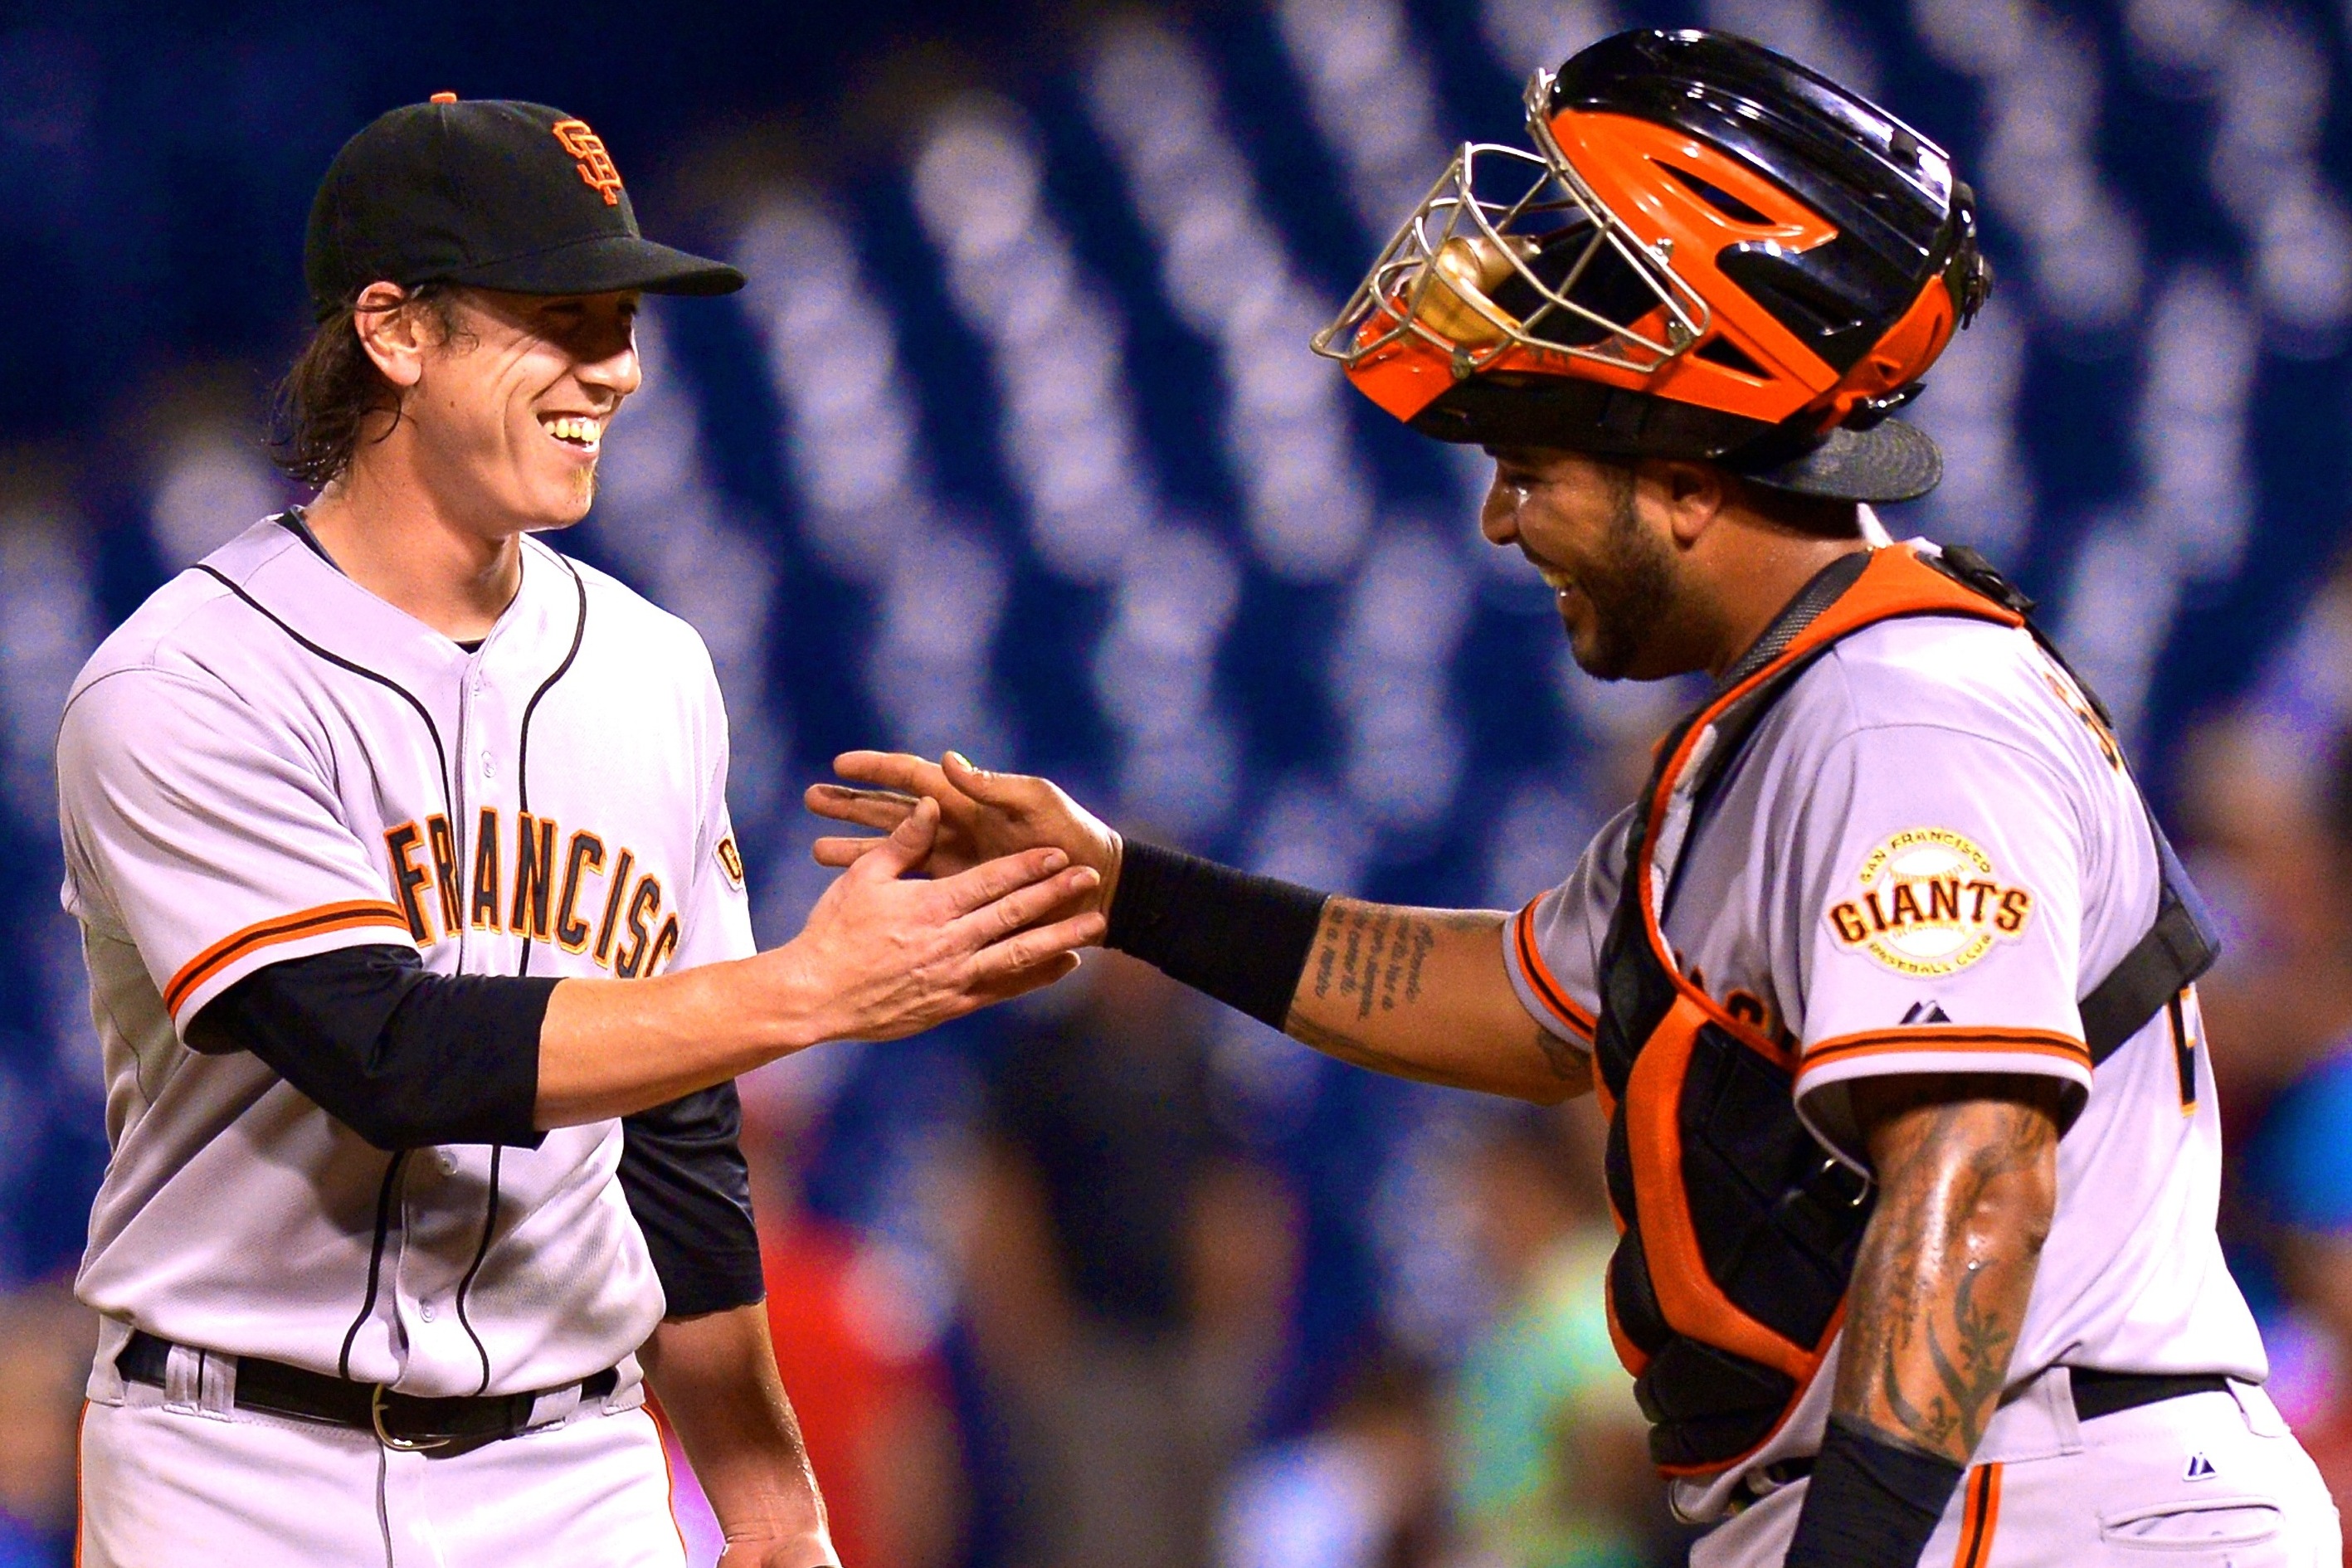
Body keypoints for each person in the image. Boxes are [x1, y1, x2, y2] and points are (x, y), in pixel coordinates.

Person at [808, 29, 2342, 1568]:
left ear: (1687, 472)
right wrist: (1122, 887)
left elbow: (1977, 1172)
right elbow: (1512, 1000)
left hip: (2043, 1499)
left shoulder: (1900, 713)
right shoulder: (1793, 721)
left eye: (1534, 463)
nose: (1499, 518)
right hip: (1982, 1496)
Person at [55, 96, 1102, 1567]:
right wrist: (811, 987)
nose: (612, 367)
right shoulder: (187, 681)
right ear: (396, 332)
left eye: (622, 318)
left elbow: (674, 1124)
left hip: (574, 1465)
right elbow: (388, 1052)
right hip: (236, 1469)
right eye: (559, 315)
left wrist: (764, 1492)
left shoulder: (653, 668)